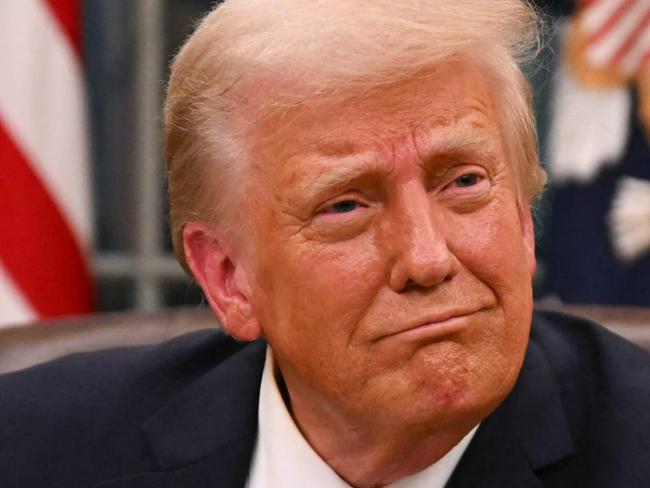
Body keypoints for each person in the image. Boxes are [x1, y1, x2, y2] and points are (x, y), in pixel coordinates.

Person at [1, 1, 649, 487]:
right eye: (345, 205)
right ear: (227, 276)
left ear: (524, 216)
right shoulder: (36, 447)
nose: (427, 258)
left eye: (464, 182)